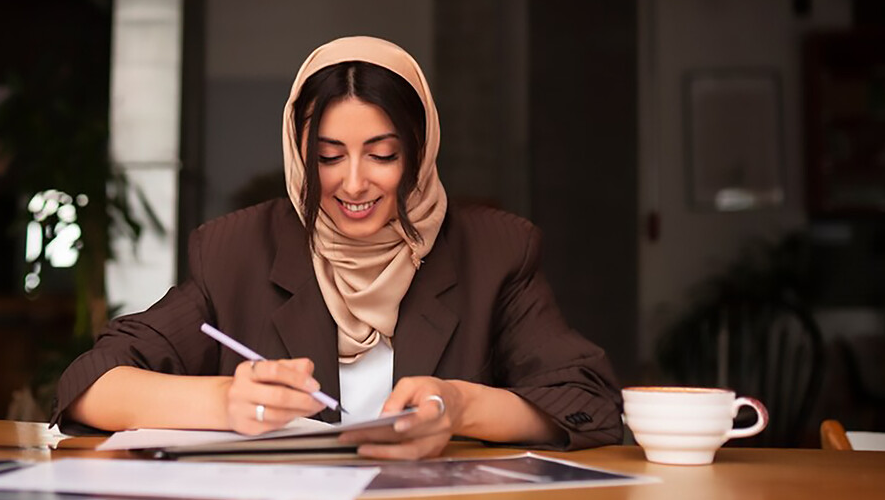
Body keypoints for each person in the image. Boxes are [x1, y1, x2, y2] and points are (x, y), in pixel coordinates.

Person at [52, 36, 623, 459]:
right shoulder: (235, 250)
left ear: (420, 153)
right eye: (328, 157)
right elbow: (90, 383)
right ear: (299, 154)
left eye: (382, 154)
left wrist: (459, 406)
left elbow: (590, 403)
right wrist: (227, 400)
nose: (353, 184)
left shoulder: (495, 251)